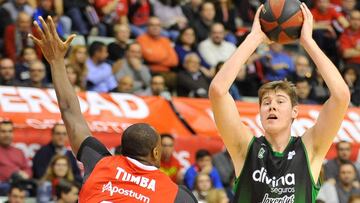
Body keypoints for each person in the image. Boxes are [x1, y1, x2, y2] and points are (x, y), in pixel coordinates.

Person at [29, 15, 197, 203]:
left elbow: (69, 110)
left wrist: (56, 62)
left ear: (122, 149)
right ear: (156, 153)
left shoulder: (99, 162)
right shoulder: (177, 195)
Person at [208, 3, 350, 203]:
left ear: (294, 112)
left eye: (280, 101)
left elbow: (341, 96)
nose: (271, 106)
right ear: (260, 112)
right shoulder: (246, 149)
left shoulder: (310, 148)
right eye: (266, 102)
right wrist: (254, 38)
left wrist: (307, 42)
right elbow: (218, 91)